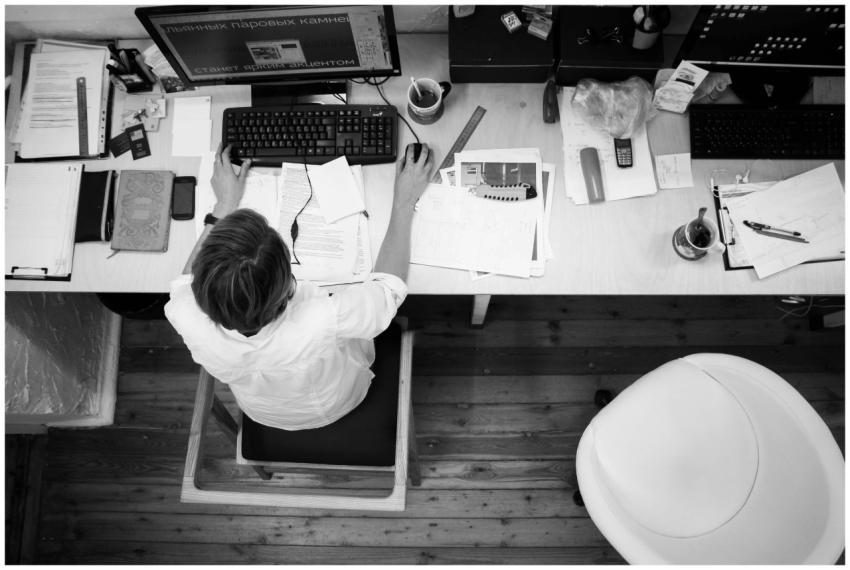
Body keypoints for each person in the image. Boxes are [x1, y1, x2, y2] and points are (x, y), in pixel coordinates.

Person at [164, 142, 433, 430]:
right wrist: (404, 201)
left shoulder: (183, 313)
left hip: (262, 411)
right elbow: (387, 290)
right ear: (286, 284)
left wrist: (223, 205)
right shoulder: (323, 319)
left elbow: (185, 281)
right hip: (336, 402)